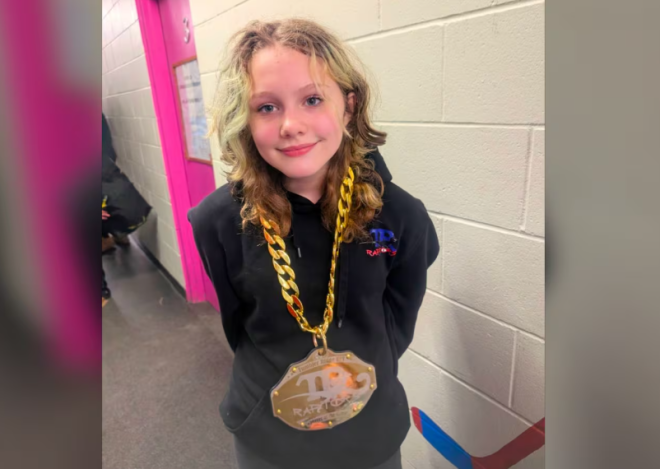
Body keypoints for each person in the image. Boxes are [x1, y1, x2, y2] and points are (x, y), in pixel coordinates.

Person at [188, 19, 439, 469]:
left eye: (312, 99)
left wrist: (354, 376)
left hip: (371, 433)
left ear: (348, 105)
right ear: (245, 119)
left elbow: (399, 320)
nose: (291, 125)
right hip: (268, 438)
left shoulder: (400, 216)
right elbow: (236, 323)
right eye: (267, 107)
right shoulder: (217, 222)